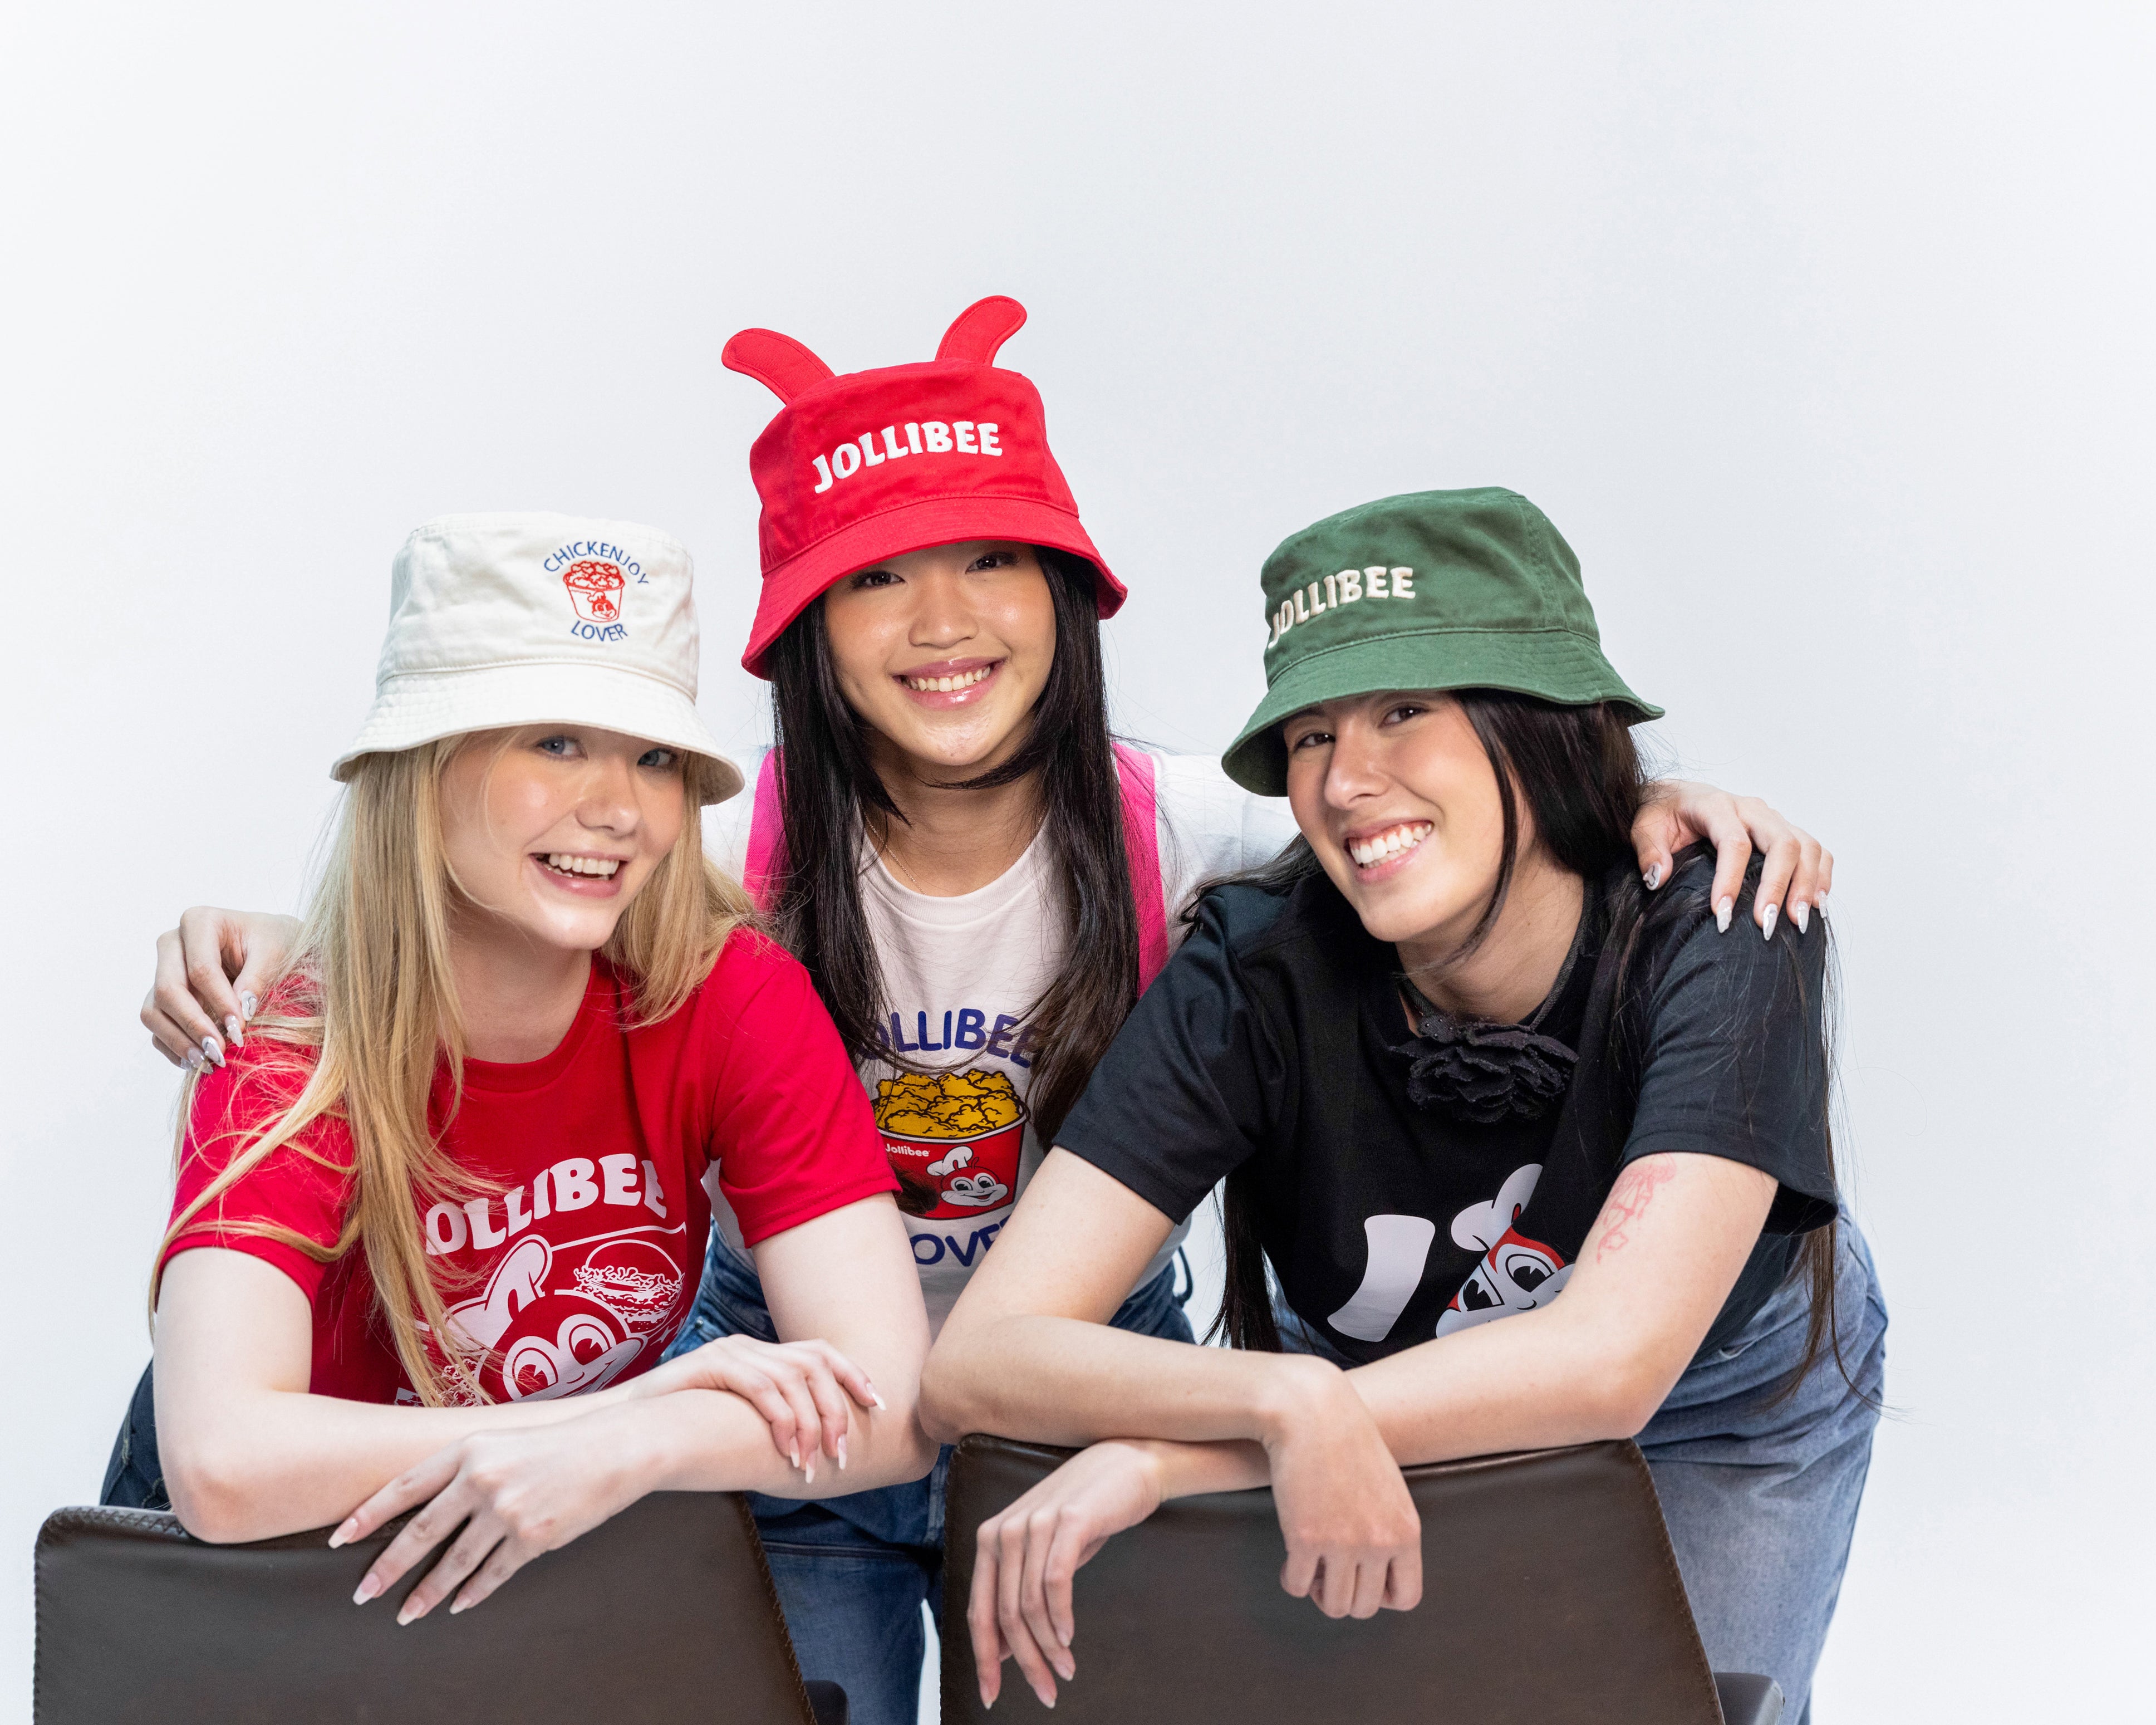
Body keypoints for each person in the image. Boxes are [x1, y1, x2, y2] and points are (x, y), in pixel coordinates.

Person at [139, 308, 1831, 1725]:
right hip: (790, 1368)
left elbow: (1417, 823)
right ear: (807, 631)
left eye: (991, 562)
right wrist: (311, 935)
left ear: (1068, 596)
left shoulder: (1197, 836)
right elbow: (517, 878)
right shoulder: (727, 856)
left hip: (1089, 1368)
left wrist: (1642, 802)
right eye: (881, 583)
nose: (944, 621)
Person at [922, 488, 1885, 1725]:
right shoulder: (1256, 970)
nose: (1346, 779)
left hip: (1718, 1397)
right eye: (1312, 736)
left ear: (1534, 721)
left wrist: (1179, 1459)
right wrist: (1285, 1401)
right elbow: (980, 1357)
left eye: (1401, 712)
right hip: (1372, 1367)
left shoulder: (1718, 921)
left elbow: (1609, 1364)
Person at [126, 512, 935, 1630]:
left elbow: (888, 1411)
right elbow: (222, 1462)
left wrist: (635, 1438)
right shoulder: (290, 1036)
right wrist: (603, 1427)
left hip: (544, 1537)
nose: (616, 807)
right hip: (281, 1577)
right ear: (425, 765)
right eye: (555, 741)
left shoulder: (730, 993)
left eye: (653, 757)